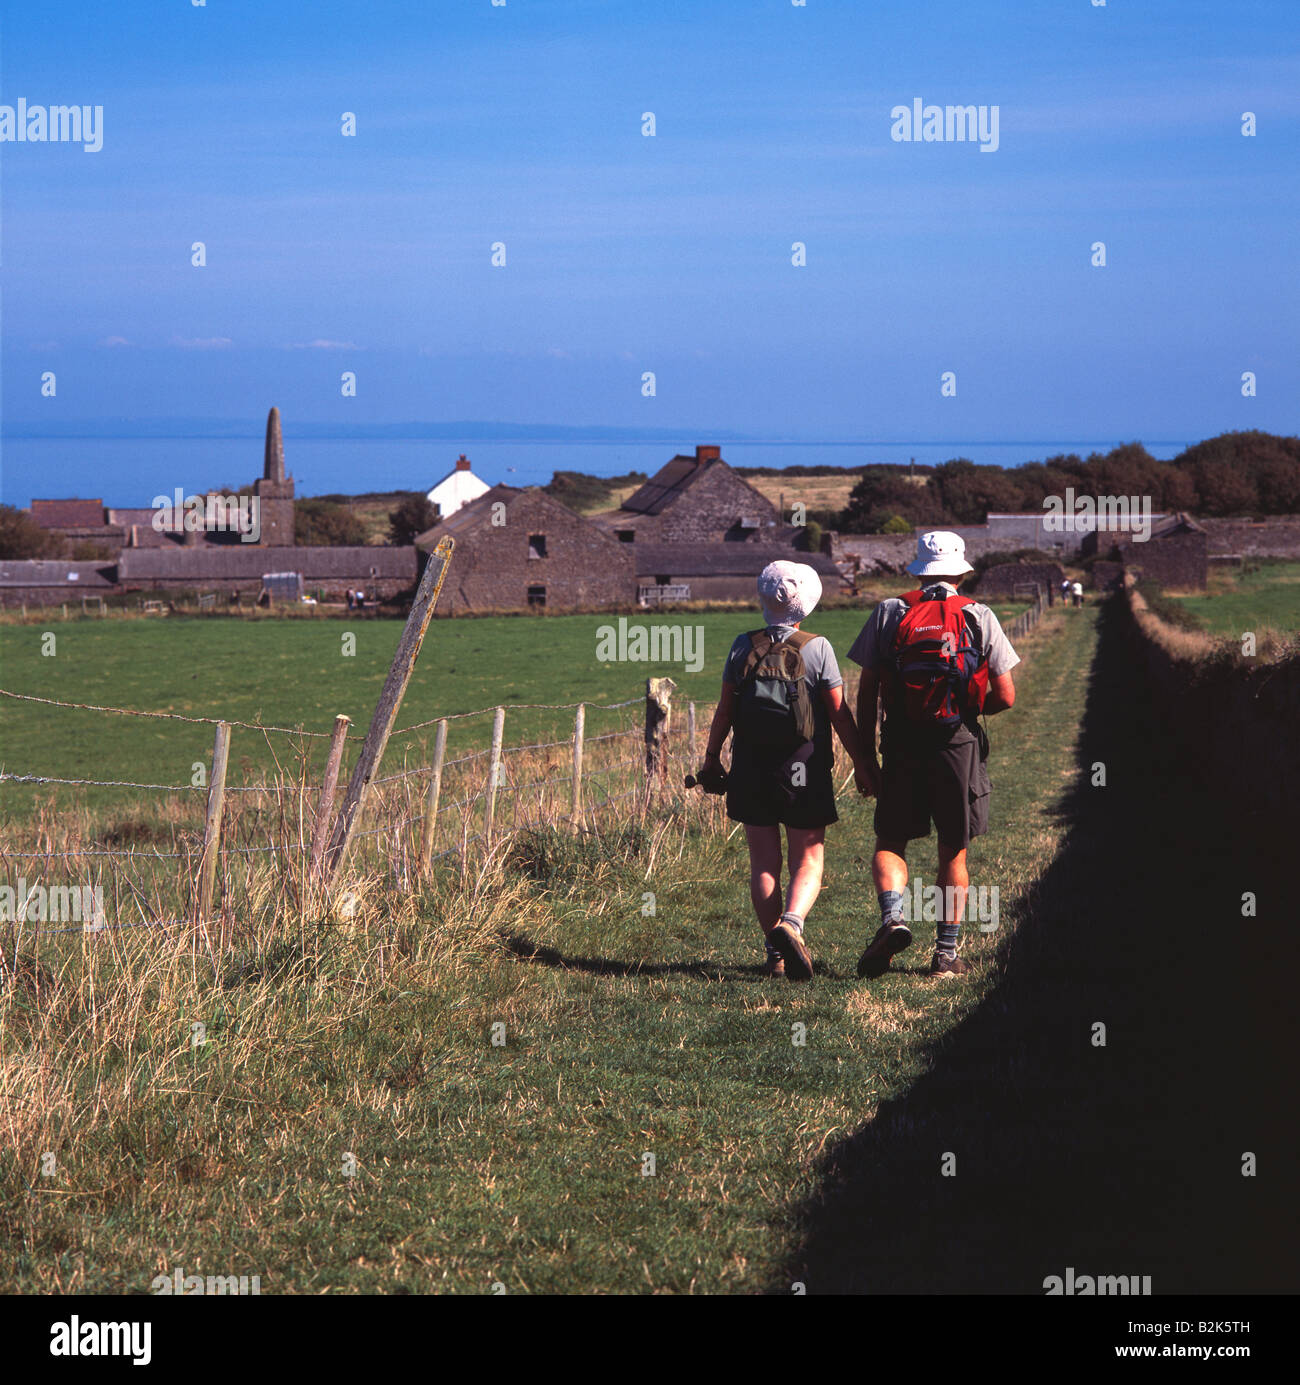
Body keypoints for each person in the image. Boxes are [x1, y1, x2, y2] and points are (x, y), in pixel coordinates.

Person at [849, 532, 1020, 980]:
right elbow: (1006, 695)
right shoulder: (978, 615)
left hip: (901, 742)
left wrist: (864, 756)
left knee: (891, 840)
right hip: (956, 742)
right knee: (953, 850)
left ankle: (893, 920)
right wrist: (965, 707)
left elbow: (867, 691)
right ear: (962, 571)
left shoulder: (890, 611)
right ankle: (945, 956)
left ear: (917, 569)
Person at [696, 561, 873, 982]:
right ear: (804, 605)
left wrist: (710, 757)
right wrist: (863, 764)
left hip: (750, 766)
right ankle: (791, 925)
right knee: (808, 856)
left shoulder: (743, 646)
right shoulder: (817, 647)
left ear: (764, 600)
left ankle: (775, 957)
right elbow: (839, 715)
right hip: (804, 766)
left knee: (763, 862)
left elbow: (725, 710)